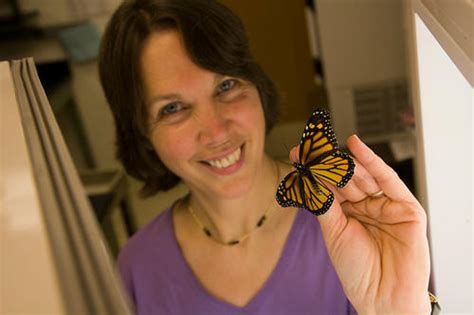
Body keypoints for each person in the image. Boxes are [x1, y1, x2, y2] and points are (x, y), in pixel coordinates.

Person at [98, 0, 433, 314]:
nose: (216, 131)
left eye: (226, 85)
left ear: (257, 85)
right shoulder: (137, 270)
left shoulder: (358, 220)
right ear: (142, 131)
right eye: (172, 108)